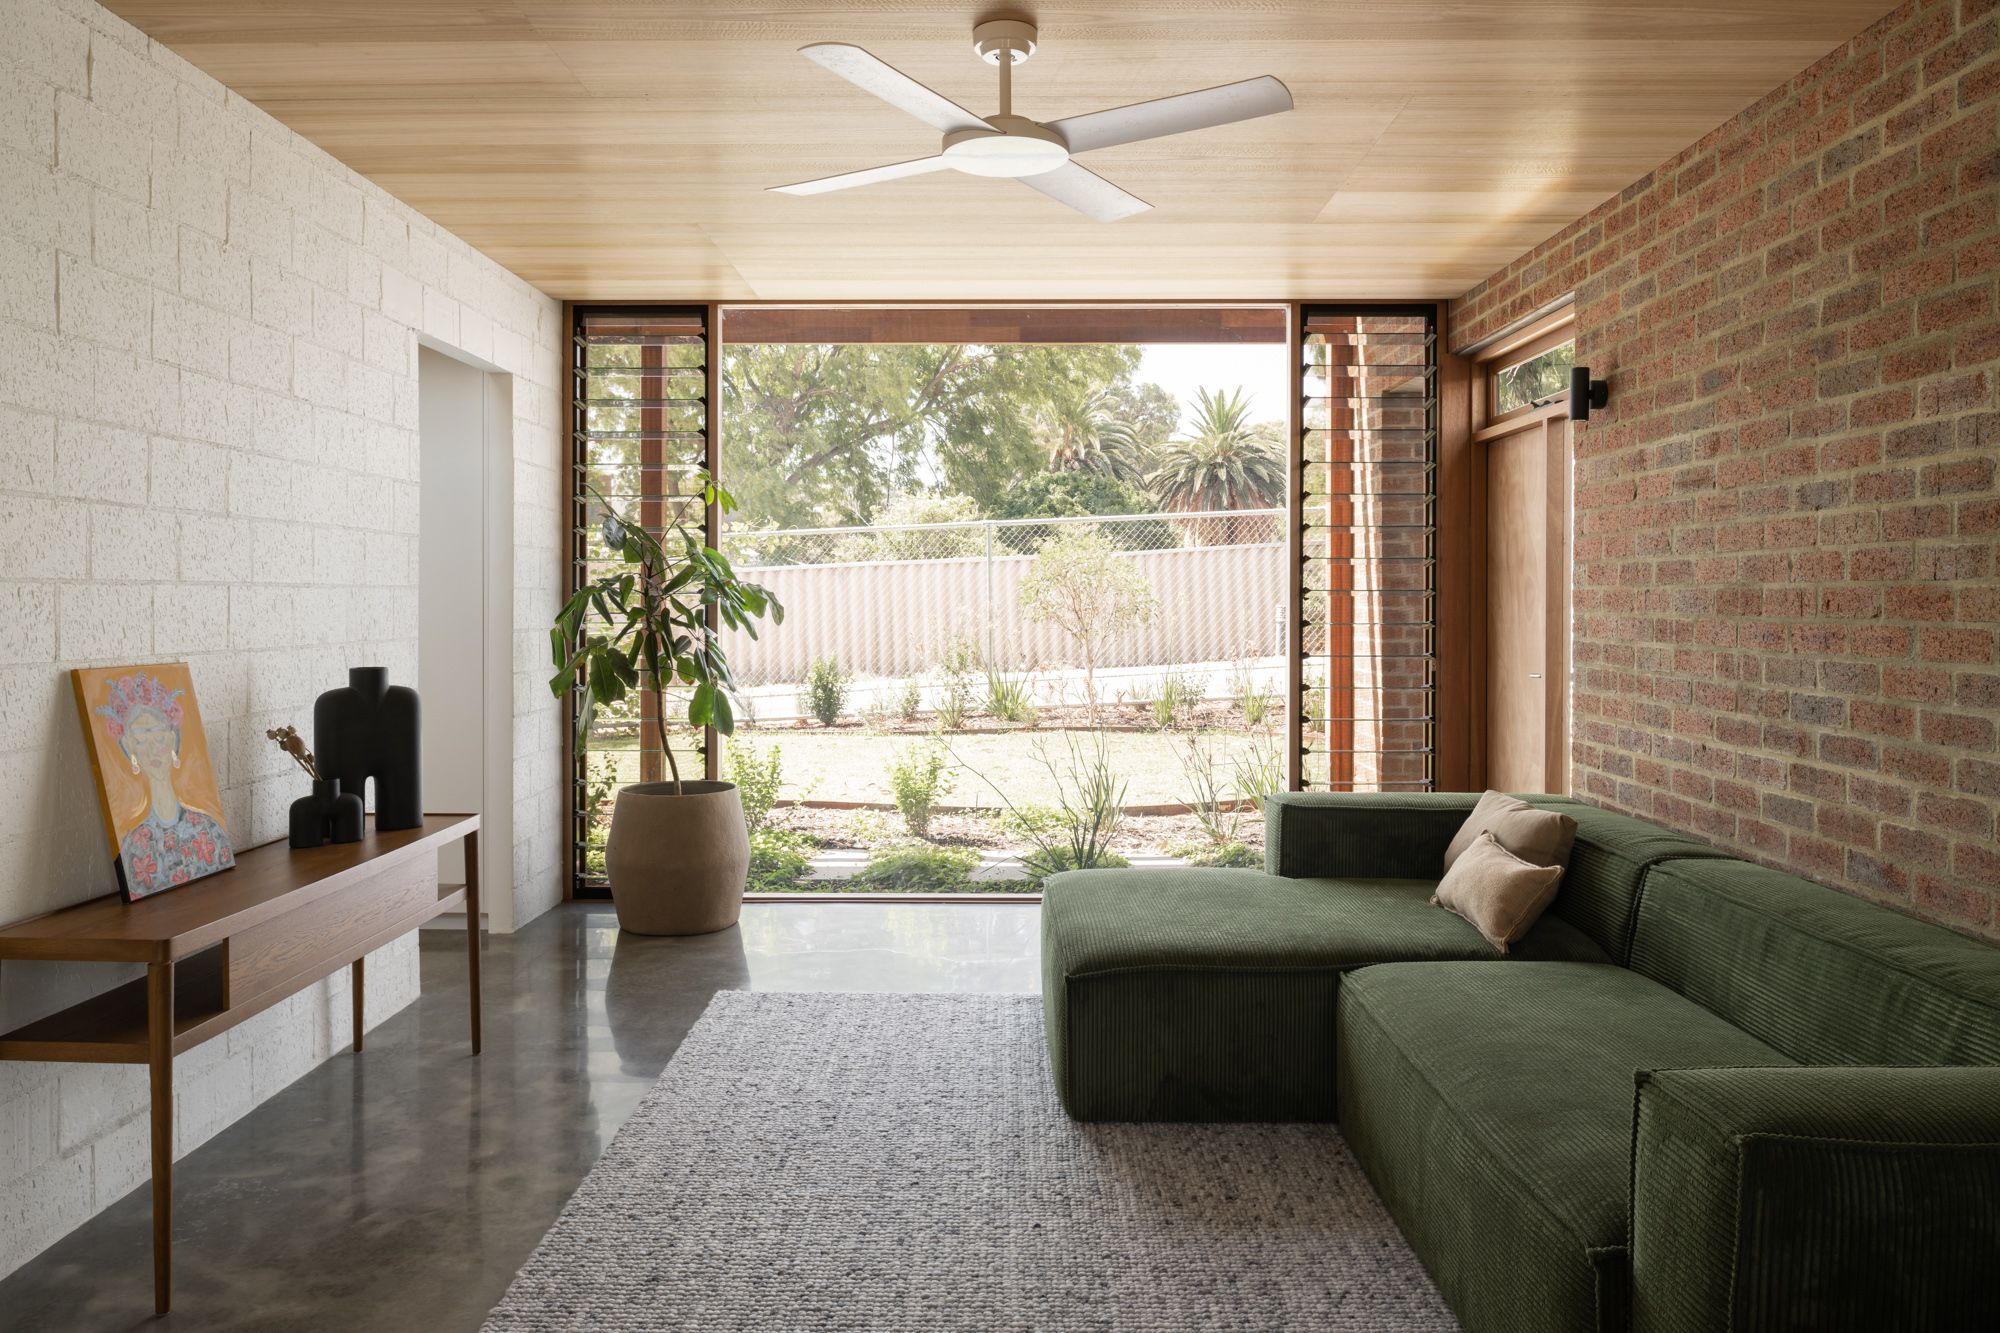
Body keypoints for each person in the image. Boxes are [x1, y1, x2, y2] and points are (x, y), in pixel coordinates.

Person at [95, 673, 234, 896]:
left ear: (171, 739)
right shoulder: (135, 847)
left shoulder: (209, 831)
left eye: (158, 735)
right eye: (141, 738)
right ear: (130, 747)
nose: (152, 749)